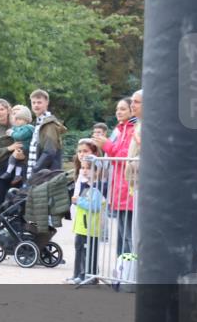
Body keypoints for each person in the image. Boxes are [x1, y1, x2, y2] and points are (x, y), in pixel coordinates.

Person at [92, 97, 138, 256]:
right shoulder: (121, 129)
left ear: (132, 110)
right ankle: (120, 272)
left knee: (127, 236)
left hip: (128, 189)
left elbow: (125, 156)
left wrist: (106, 145)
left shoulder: (134, 129)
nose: (119, 112)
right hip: (119, 188)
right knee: (121, 235)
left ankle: (127, 272)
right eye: (117, 109)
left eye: (123, 109)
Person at [66, 139, 105, 285]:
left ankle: (88, 275)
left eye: (86, 151)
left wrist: (77, 201)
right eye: (80, 151)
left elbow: (93, 204)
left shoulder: (95, 183)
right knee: (79, 246)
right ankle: (77, 274)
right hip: (81, 220)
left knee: (89, 248)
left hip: (90, 223)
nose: (82, 154)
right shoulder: (81, 176)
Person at [25, 89, 67, 181]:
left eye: (39, 102)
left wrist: (35, 170)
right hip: (40, 174)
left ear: (47, 103)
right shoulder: (39, 123)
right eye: (34, 102)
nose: (36, 105)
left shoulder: (49, 124)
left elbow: (49, 151)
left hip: (46, 175)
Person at [0, 105, 35, 187]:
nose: (17, 121)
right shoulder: (18, 127)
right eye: (16, 118)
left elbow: (20, 136)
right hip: (20, 148)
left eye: (19, 119)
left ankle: (8, 172)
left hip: (25, 148)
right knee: (19, 162)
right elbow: (15, 129)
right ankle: (18, 175)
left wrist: (11, 133)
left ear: (26, 120)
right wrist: (11, 131)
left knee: (13, 158)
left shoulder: (28, 128)